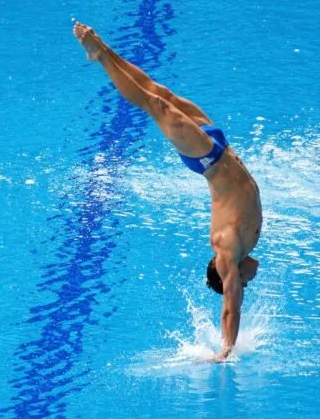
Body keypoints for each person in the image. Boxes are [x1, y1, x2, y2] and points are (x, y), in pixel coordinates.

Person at [73, 22, 262, 362]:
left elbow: (230, 306)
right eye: (244, 283)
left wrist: (226, 350)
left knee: (154, 104)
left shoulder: (226, 251)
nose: (248, 282)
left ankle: (100, 56)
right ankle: (100, 47)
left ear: (223, 273)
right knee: (161, 93)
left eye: (242, 283)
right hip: (219, 147)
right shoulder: (245, 244)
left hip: (206, 156)